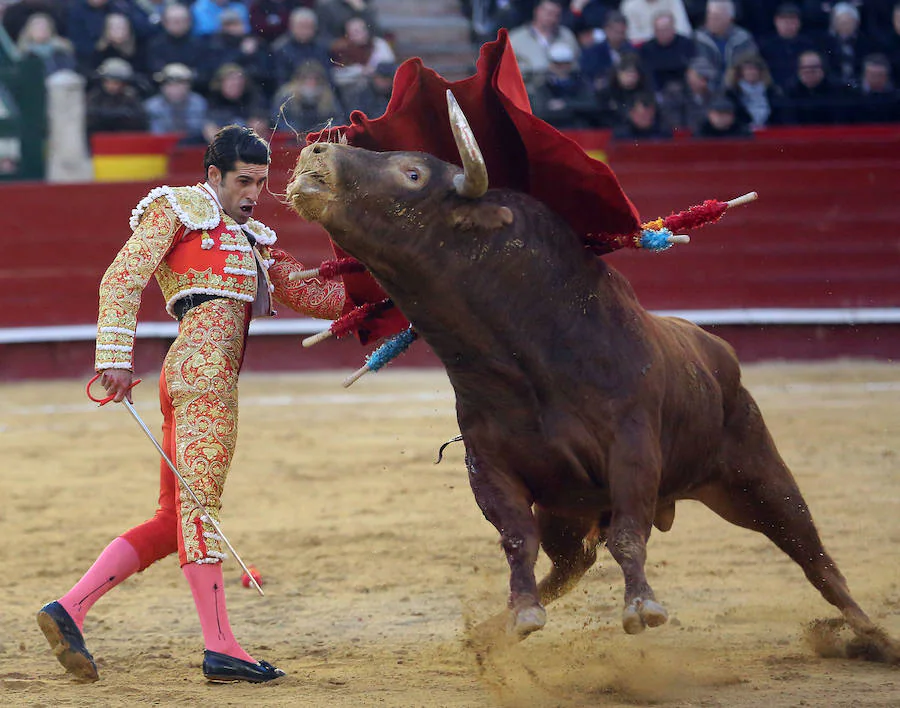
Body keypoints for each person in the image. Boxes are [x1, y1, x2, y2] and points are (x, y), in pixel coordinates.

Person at [37, 125, 347, 684]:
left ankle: (69, 609)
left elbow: (313, 295)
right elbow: (123, 276)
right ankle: (221, 646)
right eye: (243, 181)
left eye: (261, 181)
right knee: (200, 509)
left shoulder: (252, 235)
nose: (253, 192)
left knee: (171, 519)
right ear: (213, 177)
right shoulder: (178, 208)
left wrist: (389, 284)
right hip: (201, 376)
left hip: (199, 377)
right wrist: (114, 355)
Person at [508, 0, 581, 90]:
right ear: (537, 11)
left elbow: (577, 66)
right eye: (549, 13)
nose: (552, 19)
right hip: (529, 94)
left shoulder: (567, 36)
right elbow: (507, 72)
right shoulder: (516, 39)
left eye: (557, 15)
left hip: (565, 93)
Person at [329, 15, 395, 108]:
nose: (361, 34)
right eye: (355, 32)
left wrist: (373, 71)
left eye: (362, 30)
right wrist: (359, 71)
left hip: (378, 86)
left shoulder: (379, 44)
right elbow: (337, 75)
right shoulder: (340, 49)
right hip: (353, 90)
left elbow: (388, 65)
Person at [529, 41, 601, 128]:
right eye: (558, 64)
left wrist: (565, 104)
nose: (562, 68)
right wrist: (574, 109)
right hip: (552, 130)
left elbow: (592, 105)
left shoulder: (581, 82)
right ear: (551, 64)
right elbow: (540, 111)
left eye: (566, 63)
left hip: (578, 130)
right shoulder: (541, 84)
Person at [781, 48, 855, 124]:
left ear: (823, 69)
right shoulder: (790, 93)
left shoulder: (838, 91)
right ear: (799, 71)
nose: (809, 73)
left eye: (814, 69)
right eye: (805, 69)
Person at [272, 59, 347, 133]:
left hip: (319, 138)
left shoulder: (328, 96)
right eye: (306, 78)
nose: (311, 82)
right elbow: (277, 118)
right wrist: (295, 131)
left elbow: (338, 119)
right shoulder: (286, 95)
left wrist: (322, 131)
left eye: (315, 79)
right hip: (292, 138)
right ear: (298, 79)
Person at [693, 0, 757, 86]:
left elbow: (750, 63)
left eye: (716, 18)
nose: (711, 21)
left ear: (729, 19)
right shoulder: (698, 39)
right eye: (709, 16)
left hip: (739, 88)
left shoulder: (743, 39)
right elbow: (700, 68)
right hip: (709, 90)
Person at [758, 3, 816, 90]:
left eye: (792, 21)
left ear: (799, 23)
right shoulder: (765, 46)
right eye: (785, 21)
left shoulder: (808, 45)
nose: (788, 25)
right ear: (776, 21)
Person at [271, 7, 332, 90]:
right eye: (301, 26)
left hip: (320, 90)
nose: (305, 31)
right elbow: (281, 79)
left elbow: (328, 75)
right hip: (292, 91)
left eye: (308, 27)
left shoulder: (322, 48)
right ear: (292, 27)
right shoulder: (281, 49)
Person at [144, 62, 208, 141]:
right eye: (170, 85)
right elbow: (154, 134)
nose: (175, 89)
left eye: (180, 84)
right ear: (162, 87)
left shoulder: (199, 102)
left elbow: (200, 130)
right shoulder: (151, 106)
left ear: (189, 86)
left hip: (193, 146)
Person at [86, 56, 149, 132]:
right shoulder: (95, 96)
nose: (110, 86)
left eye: (115, 82)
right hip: (99, 138)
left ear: (124, 83)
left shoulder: (131, 97)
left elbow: (141, 123)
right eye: (107, 81)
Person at [639, 10, 696, 93]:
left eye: (666, 29)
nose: (663, 33)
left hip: (684, 89)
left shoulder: (686, 44)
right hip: (656, 90)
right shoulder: (646, 49)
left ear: (673, 28)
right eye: (659, 30)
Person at [723, 51, 781, 129]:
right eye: (748, 69)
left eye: (755, 69)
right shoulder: (731, 93)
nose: (752, 72)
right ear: (740, 72)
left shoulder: (773, 92)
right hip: (741, 135)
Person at [15, 11, 76, 76]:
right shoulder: (23, 54)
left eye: (44, 27)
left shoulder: (62, 50)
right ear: (29, 30)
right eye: (37, 28)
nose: (42, 30)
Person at [620, 0, 692, 45]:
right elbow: (632, 36)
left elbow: (683, 29)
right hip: (644, 51)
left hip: (674, 45)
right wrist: (660, 35)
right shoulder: (629, 5)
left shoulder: (673, 1)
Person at [858, 53, 900, 123]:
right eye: (872, 75)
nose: (876, 79)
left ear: (886, 77)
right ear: (865, 75)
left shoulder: (896, 98)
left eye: (879, 75)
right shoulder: (854, 95)